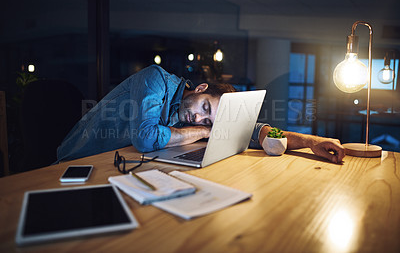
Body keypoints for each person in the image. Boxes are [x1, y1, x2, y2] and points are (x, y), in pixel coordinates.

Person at [57, 65, 344, 164]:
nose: (198, 118)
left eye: (208, 120)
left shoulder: (188, 119)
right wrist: (207, 131)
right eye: (204, 107)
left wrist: (309, 141)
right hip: (74, 164)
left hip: (116, 167)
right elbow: (145, 139)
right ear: (201, 88)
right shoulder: (155, 79)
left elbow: (256, 130)